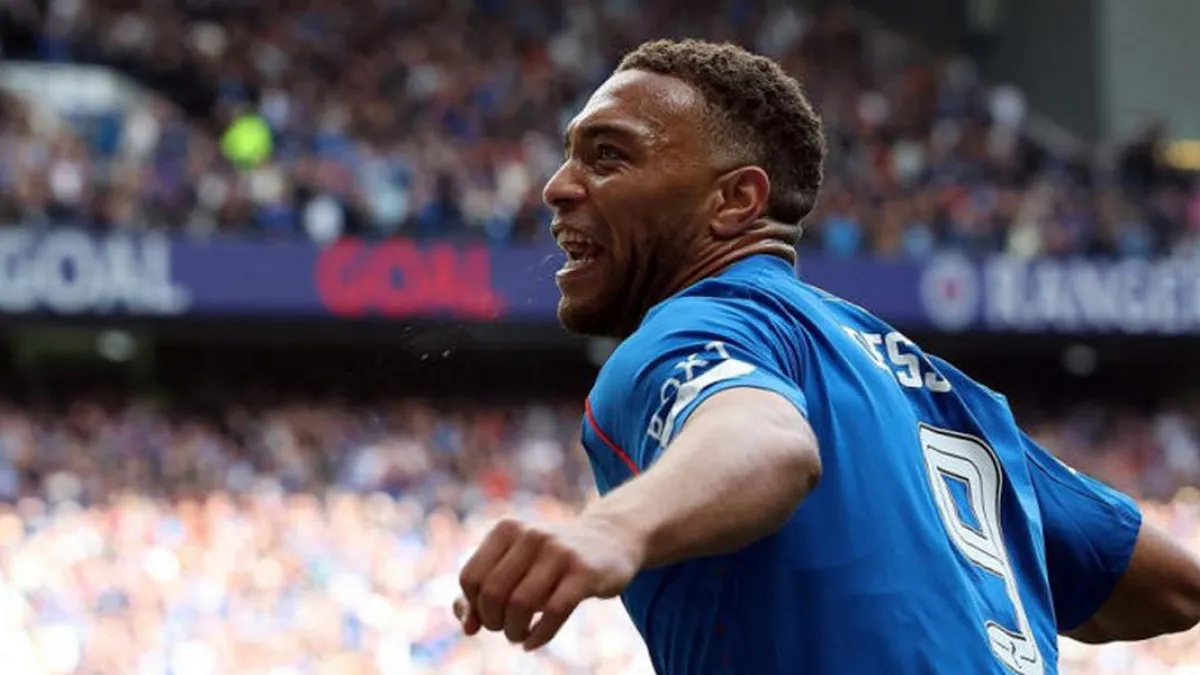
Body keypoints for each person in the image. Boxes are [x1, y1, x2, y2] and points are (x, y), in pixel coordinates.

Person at [453, 39, 1200, 673]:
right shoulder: (944, 395)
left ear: (735, 200)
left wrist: (609, 528)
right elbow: (1169, 587)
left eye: (608, 156)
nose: (556, 187)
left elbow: (767, 441)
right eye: (570, 156)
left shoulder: (690, 327)